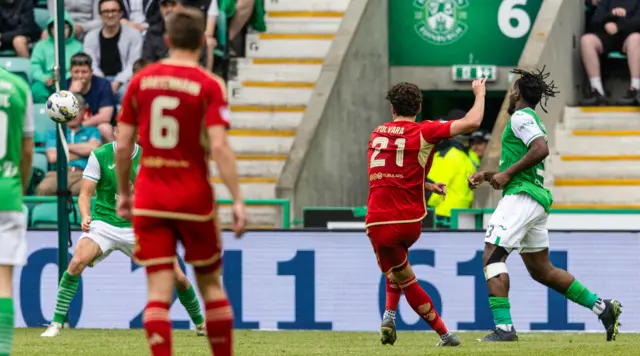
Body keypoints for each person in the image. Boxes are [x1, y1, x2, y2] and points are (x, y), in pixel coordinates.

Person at [115, 7, 246, 356]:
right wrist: (237, 199)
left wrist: (123, 193)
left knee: (158, 293)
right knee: (211, 287)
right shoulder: (209, 84)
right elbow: (219, 146)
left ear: (167, 39)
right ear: (203, 40)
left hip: (150, 197)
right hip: (194, 198)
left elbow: (124, 144)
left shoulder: (141, 81)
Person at [468, 68, 622, 342]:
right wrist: (490, 174)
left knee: (492, 255)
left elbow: (540, 149)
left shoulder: (521, 118)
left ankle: (504, 329)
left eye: (512, 91)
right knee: (542, 270)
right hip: (533, 197)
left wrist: (505, 174)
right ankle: (602, 307)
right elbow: (524, 164)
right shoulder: (530, 119)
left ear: (516, 94)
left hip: (523, 198)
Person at [41, 124, 207, 338]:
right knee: (76, 262)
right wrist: (85, 216)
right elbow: (85, 194)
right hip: (104, 224)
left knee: (178, 277)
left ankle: (201, 324)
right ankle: (56, 323)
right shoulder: (99, 155)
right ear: (115, 133)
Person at [367, 79, 487, 347]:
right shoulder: (424, 131)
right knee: (398, 267)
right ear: (419, 107)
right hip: (411, 221)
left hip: (380, 220)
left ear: (392, 109)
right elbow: (472, 122)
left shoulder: (377, 134)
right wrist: (480, 94)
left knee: (405, 277)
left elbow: (388, 175)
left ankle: (445, 334)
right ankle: (389, 317)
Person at [0, 67, 34, 356]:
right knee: (3, 283)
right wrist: (19, 185)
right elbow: (27, 151)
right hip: (7, 192)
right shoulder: (18, 87)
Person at [36, 94, 101, 196]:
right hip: (57, 174)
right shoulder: (53, 132)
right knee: (44, 188)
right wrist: (84, 152)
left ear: (84, 111)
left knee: (90, 190)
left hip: (83, 174)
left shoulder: (92, 131)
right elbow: (53, 157)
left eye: (77, 110)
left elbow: (94, 149)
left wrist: (64, 146)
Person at [580, 0, 640, 105]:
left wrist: (620, 26)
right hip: (607, 35)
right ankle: (597, 91)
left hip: (630, 34)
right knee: (586, 40)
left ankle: (635, 89)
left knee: (636, 38)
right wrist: (609, 18)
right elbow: (595, 20)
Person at [83, 0, 143, 102]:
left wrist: (117, 82)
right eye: (106, 11)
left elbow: (133, 64)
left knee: (126, 92)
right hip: (98, 80)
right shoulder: (90, 37)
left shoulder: (134, 35)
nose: (110, 15)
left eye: (113, 11)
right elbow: (91, 65)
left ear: (121, 13)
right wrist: (104, 84)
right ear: (100, 15)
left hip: (124, 81)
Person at [29, 12, 84, 103]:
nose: (60, 30)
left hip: (68, 80)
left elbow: (79, 68)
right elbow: (34, 67)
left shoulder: (78, 47)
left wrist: (62, 79)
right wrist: (44, 78)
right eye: (55, 27)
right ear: (50, 30)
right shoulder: (41, 46)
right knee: (36, 90)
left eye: (65, 27)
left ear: (71, 29)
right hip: (46, 81)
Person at [67, 53, 117, 142]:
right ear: (70, 72)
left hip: (94, 126)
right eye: (76, 72)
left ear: (91, 72)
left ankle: (114, 155)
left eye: (84, 72)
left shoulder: (103, 85)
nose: (80, 76)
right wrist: (71, 93)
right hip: (70, 127)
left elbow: (105, 116)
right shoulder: (65, 85)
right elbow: (61, 115)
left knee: (105, 128)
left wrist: (81, 126)